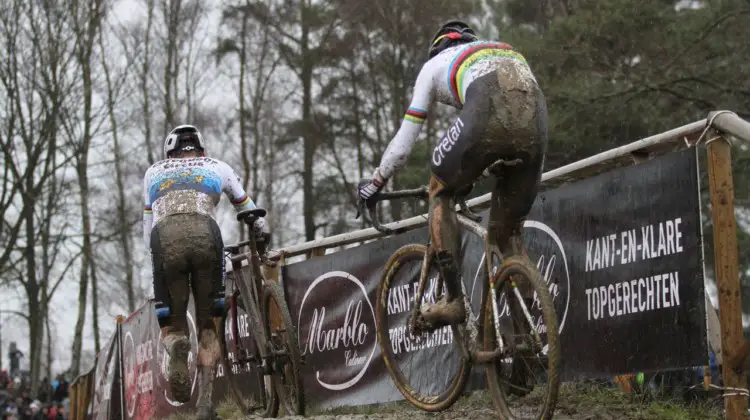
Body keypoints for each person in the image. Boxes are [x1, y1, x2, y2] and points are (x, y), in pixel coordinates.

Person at [358, 20, 548, 330]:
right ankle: (527, 341)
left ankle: (454, 299)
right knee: (508, 236)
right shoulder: (502, 49)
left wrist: (375, 183)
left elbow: (403, 147)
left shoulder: (432, 68)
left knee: (440, 190)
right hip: (535, 114)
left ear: (437, 50)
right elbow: (514, 113)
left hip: (487, 107)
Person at [143, 124, 266, 420]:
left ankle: (176, 343)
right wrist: (262, 235)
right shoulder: (217, 166)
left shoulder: (153, 172)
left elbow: (147, 229)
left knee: (172, 324)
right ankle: (205, 407)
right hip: (206, 234)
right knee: (210, 327)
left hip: (165, 236)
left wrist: (157, 263)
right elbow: (249, 210)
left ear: (169, 153)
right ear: (202, 149)